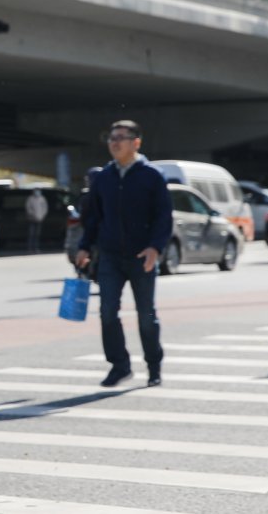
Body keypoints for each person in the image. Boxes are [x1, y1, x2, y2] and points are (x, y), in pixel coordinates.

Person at [76, 120, 172, 388]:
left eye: (121, 137)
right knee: (107, 312)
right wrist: (85, 246)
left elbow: (164, 216)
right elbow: (94, 217)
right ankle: (119, 366)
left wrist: (155, 247)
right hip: (109, 256)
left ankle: (154, 366)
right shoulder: (103, 177)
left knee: (146, 315)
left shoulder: (151, 175)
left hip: (142, 256)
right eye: (111, 138)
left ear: (136, 142)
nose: (115, 142)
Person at [25, 188, 48, 253]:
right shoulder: (30, 198)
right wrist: (32, 215)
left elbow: (45, 208)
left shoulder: (42, 198)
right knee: (31, 234)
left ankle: (36, 247)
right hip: (32, 219)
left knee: (37, 234)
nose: (37, 192)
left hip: (40, 219)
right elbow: (28, 208)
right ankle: (30, 248)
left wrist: (42, 216)